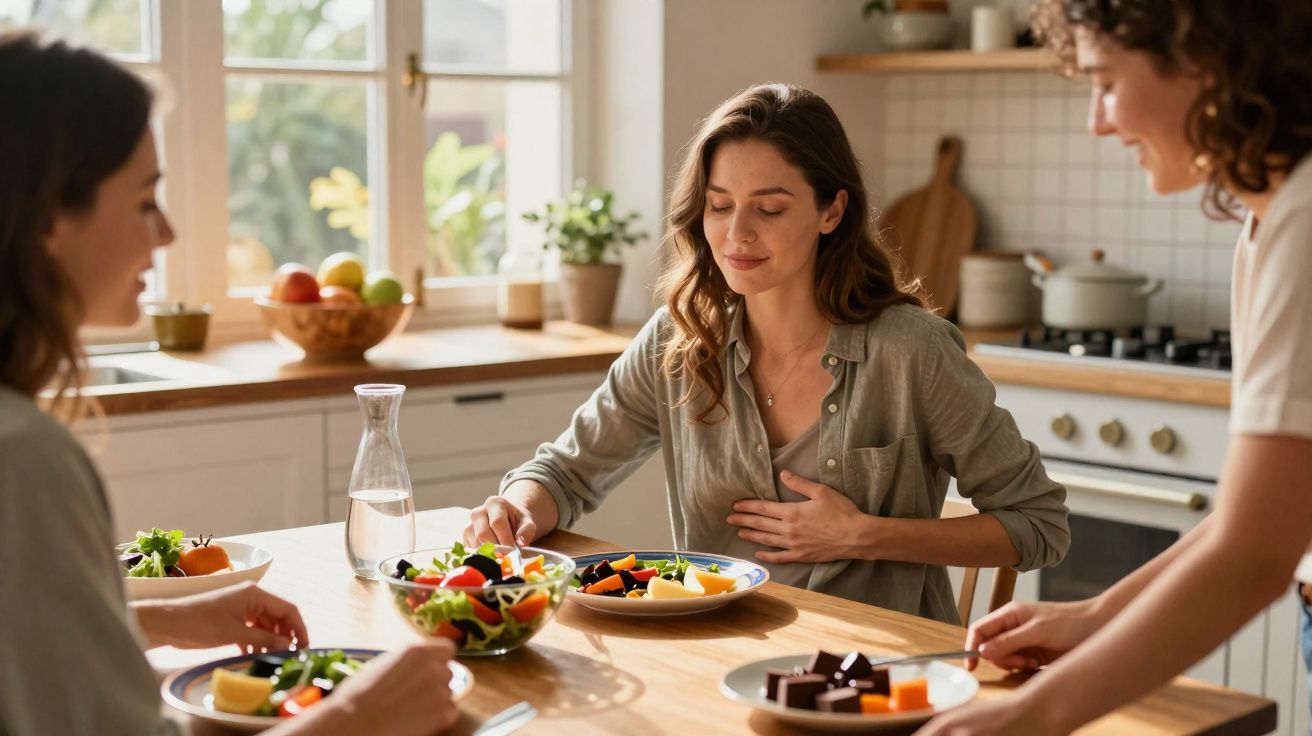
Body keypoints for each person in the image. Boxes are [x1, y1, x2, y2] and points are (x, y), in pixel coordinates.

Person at [465, 82, 1070, 624]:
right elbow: (564, 472)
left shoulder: (912, 352)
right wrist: (515, 510)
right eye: (720, 205)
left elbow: (1038, 524)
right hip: (712, 659)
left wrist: (864, 536)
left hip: (879, 675)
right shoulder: (678, 342)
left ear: (832, 210)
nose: (737, 234)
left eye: (770, 208)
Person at [0, 32, 460, 736]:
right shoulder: (23, 459)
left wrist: (146, 621)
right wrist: (361, 716)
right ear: (49, 219)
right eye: (145, 201)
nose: (169, 233)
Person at [918, 2, 1312, 733]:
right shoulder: (1270, 221)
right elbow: (1253, 520)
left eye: (1104, 82)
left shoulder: (1305, 221)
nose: (1098, 121)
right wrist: (1096, 616)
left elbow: (1255, 554)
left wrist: (1034, 716)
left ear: (1205, 61)